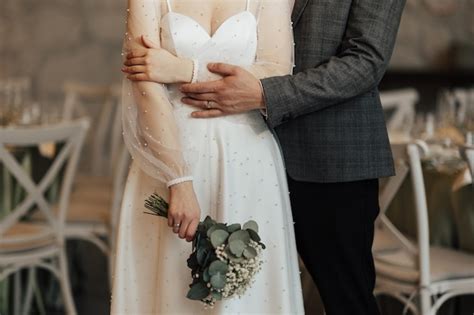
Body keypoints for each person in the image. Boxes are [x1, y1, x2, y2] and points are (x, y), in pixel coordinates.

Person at [174, 1, 407, 314]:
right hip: (246, 154)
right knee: (246, 299)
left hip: (332, 162)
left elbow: (366, 62)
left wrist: (264, 94)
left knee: (347, 301)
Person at [112, 0, 304, 313]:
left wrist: (185, 69)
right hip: (169, 158)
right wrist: (178, 179)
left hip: (249, 164)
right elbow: (145, 84)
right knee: (172, 291)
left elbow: (275, 71)